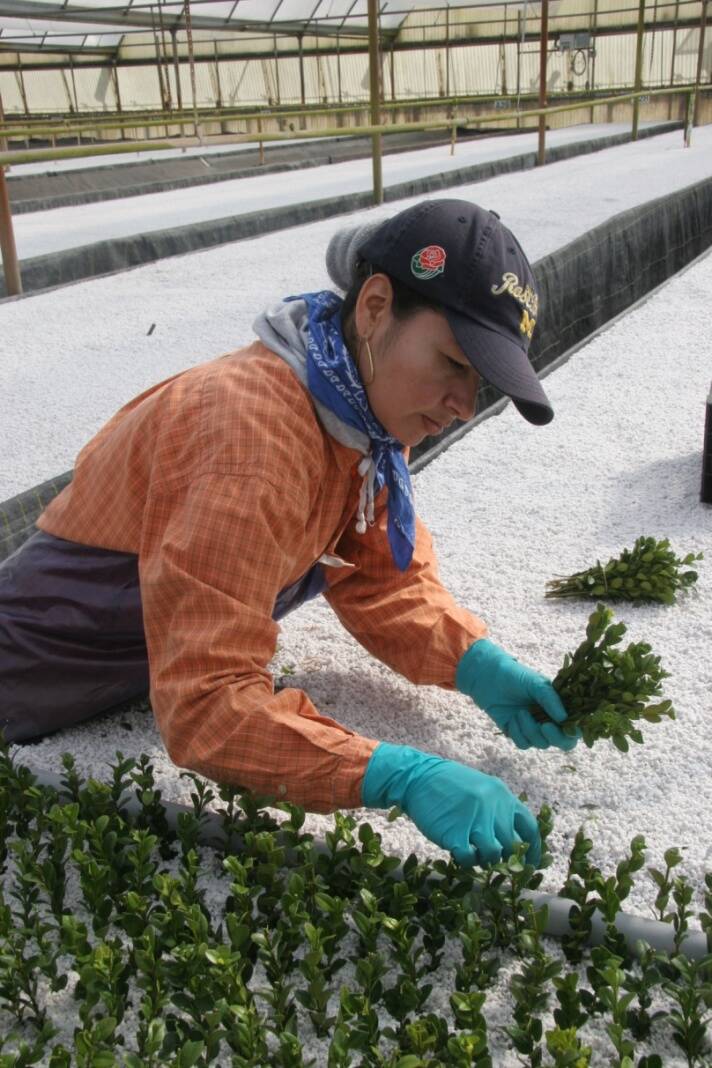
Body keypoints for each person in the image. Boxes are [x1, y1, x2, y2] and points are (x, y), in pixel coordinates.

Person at [0, 198, 578, 869]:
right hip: (33, 676)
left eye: (478, 383)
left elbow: (380, 577)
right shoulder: (250, 438)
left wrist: (475, 663)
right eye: (453, 363)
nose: (461, 407)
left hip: (137, 668)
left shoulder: (364, 418)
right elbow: (207, 703)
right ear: (374, 306)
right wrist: (391, 774)